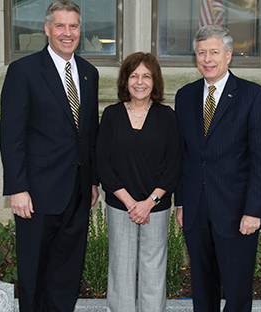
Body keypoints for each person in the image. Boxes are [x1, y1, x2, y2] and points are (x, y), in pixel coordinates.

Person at [0, 1, 100, 311]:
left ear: (80, 31)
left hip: (78, 191)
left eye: (73, 26)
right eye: (60, 26)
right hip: (38, 193)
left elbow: (88, 132)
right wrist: (18, 187)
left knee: (68, 270)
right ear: (47, 29)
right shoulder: (23, 71)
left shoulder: (88, 73)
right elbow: (11, 134)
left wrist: (93, 181)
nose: (67, 33)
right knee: (34, 269)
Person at [174, 25, 261, 312]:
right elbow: (183, 155)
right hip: (195, 210)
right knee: (202, 290)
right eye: (201, 52)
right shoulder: (185, 96)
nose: (207, 59)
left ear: (228, 55)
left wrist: (254, 211)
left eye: (214, 52)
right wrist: (180, 203)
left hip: (236, 213)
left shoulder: (252, 95)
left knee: (237, 291)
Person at [96, 52, 181, 312]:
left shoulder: (167, 116)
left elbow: (174, 164)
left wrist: (149, 202)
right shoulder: (111, 115)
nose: (140, 82)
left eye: (147, 76)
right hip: (121, 204)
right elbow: (103, 162)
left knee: (153, 266)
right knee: (120, 265)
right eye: (134, 76)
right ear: (125, 81)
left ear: (155, 82)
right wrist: (131, 202)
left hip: (156, 205)